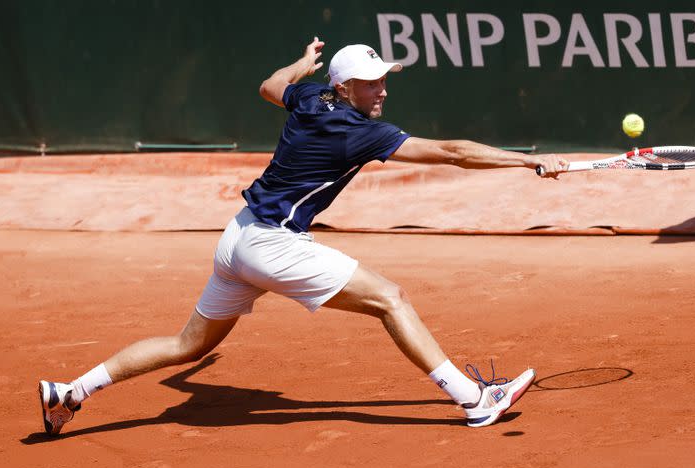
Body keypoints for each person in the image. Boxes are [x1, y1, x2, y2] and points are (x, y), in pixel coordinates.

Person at [39, 37, 569, 435]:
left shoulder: (312, 99)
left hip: (237, 239)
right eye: (372, 82)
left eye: (385, 79)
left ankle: (70, 392)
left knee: (187, 348)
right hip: (272, 245)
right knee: (391, 299)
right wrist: (528, 162)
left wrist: (303, 60)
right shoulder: (361, 132)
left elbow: (271, 87)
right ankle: (475, 402)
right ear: (346, 88)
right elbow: (453, 152)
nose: (382, 90)